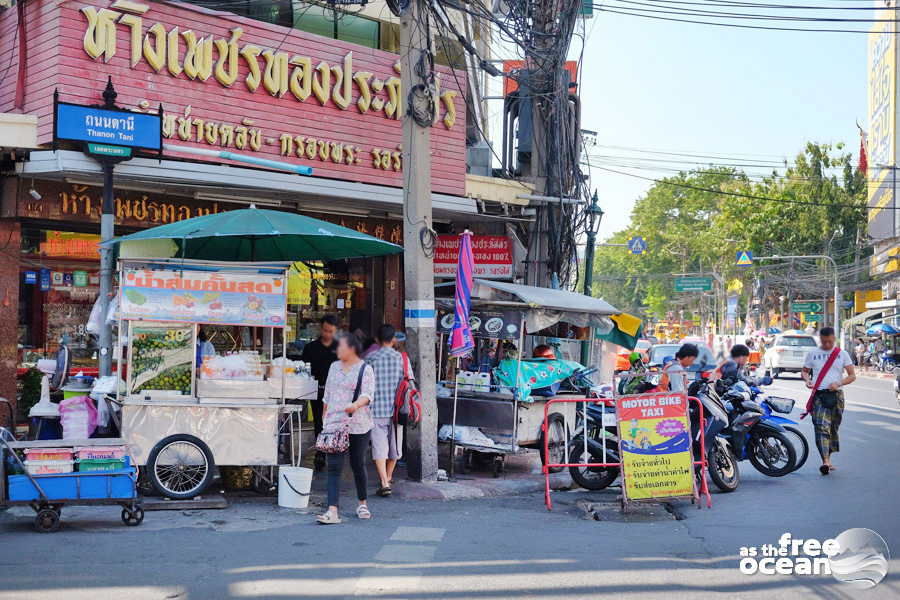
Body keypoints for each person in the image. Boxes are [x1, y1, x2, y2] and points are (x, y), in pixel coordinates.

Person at [316, 333, 375, 524]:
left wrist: (355, 406)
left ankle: (362, 502)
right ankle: (332, 511)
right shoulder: (334, 367)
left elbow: (367, 394)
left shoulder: (365, 369)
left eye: (340, 347)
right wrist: (325, 418)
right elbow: (327, 395)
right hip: (334, 423)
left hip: (358, 423)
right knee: (334, 467)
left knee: (358, 463)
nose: (337, 350)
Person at [365, 324, 413, 497]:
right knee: (395, 448)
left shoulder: (370, 358)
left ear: (377, 340)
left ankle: (385, 482)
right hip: (397, 410)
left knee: (379, 447)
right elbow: (410, 383)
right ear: (394, 340)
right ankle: (389, 476)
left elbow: (364, 384)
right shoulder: (402, 359)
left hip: (376, 409)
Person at [801, 327, 856, 476]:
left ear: (835, 339)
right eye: (824, 342)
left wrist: (839, 383)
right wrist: (808, 380)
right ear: (820, 341)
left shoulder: (842, 354)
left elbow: (852, 376)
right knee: (821, 428)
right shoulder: (813, 354)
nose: (827, 345)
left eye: (830, 342)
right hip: (819, 396)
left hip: (836, 396)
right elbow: (804, 371)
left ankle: (829, 458)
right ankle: (825, 461)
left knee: (833, 428)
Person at [301, 315, 340, 471]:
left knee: (335, 422)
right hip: (317, 390)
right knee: (319, 421)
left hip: (337, 393)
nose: (327, 334)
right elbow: (304, 370)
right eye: (325, 330)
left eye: (331, 331)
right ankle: (320, 451)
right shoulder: (310, 348)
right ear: (320, 328)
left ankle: (334, 451)